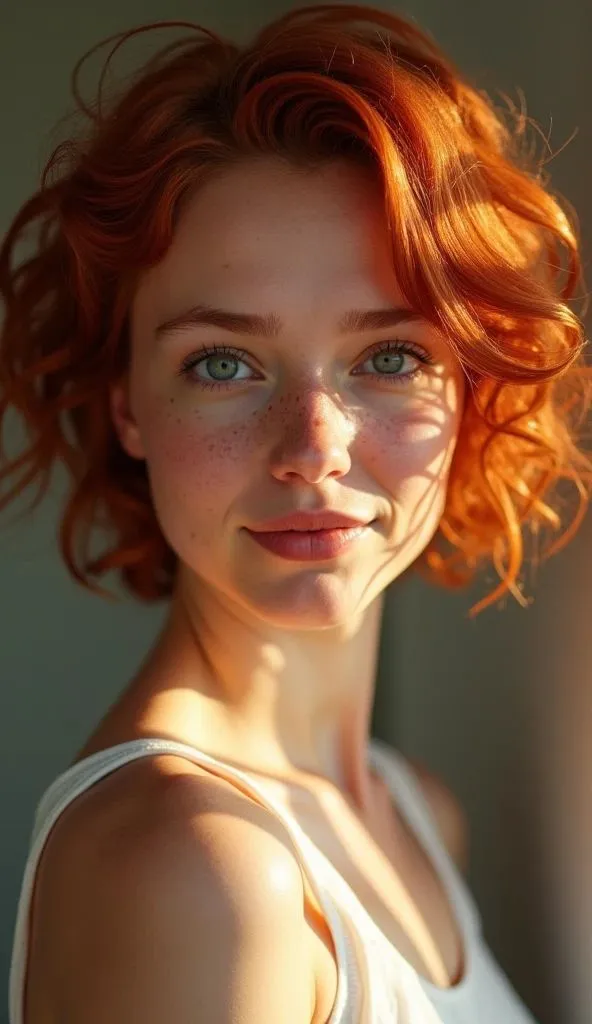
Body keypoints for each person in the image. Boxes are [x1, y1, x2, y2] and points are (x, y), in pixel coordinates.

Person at [2, 4, 591, 1022]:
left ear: (472, 391)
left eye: (391, 356)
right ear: (126, 407)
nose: (314, 445)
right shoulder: (198, 866)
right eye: (222, 362)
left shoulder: (411, 809)